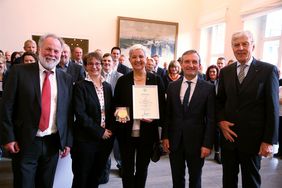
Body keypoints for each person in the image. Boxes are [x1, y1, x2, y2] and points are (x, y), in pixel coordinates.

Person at [0, 34, 73, 188]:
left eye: (56, 51)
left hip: (52, 142)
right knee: (24, 184)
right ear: (39, 49)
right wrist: (8, 137)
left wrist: (67, 141)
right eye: (48, 49)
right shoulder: (19, 72)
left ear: (61, 53)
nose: (52, 54)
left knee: (46, 184)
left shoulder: (66, 78)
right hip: (24, 141)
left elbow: (67, 113)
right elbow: (6, 107)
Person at [216, 31, 279, 188]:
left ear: (253, 46)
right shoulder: (225, 72)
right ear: (232, 48)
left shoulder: (268, 71)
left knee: (251, 182)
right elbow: (220, 101)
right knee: (228, 180)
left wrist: (268, 141)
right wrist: (221, 121)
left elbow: (272, 108)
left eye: (245, 44)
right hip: (228, 138)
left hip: (253, 140)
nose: (240, 48)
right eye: (236, 45)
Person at [162, 50, 215, 188]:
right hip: (175, 141)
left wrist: (207, 144)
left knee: (195, 179)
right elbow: (168, 114)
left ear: (199, 65)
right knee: (177, 178)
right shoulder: (172, 86)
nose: (190, 65)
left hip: (197, 143)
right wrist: (165, 137)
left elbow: (211, 119)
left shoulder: (209, 88)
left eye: (194, 62)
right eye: (187, 61)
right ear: (181, 64)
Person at [114, 44, 165, 188]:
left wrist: (153, 116)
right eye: (134, 57)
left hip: (147, 133)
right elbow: (117, 108)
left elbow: (162, 107)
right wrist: (130, 115)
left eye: (141, 56)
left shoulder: (156, 80)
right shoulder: (123, 81)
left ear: (146, 59)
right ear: (129, 60)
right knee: (127, 170)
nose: (138, 60)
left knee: (143, 169)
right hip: (126, 133)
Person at [71, 51, 114, 188]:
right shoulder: (80, 86)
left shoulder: (107, 86)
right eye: (90, 64)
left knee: (96, 176)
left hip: (104, 141)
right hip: (85, 140)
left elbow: (111, 111)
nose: (94, 66)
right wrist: (100, 131)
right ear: (85, 66)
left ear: (101, 65)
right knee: (81, 177)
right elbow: (81, 114)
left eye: (97, 63)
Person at [100, 52, 123, 181]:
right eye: (105, 61)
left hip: (118, 113)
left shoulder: (120, 77)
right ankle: (104, 170)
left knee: (117, 143)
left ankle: (120, 165)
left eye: (109, 61)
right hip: (104, 115)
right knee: (105, 143)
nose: (107, 63)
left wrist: (122, 118)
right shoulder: (97, 75)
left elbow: (122, 98)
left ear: (113, 63)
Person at [205, 65, 221, 164]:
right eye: (210, 72)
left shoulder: (221, 83)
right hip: (206, 111)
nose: (212, 74)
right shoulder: (205, 83)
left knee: (217, 133)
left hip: (217, 111)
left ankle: (217, 153)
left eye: (214, 72)